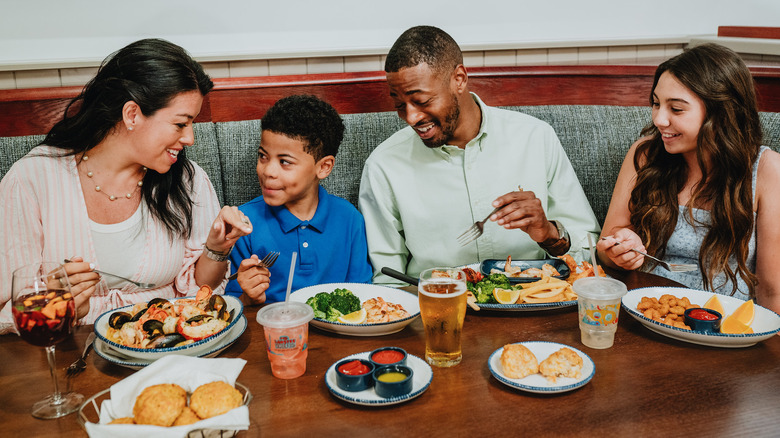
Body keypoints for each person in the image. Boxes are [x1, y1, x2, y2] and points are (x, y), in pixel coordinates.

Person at [0, 38, 253, 334]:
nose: (190, 139)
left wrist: (217, 248)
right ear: (132, 114)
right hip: (72, 350)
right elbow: (10, 303)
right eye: (180, 123)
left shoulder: (188, 180)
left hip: (167, 347)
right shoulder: (32, 179)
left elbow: (200, 294)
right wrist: (56, 304)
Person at [358, 25, 600, 284]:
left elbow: (590, 251)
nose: (411, 117)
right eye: (398, 104)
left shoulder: (536, 137)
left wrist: (549, 233)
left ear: (459, 79)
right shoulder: (384, 165)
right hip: (440, 310)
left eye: (422, 101)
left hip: (534, 303)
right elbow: (388, 281)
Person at [596, 43, 780, 313]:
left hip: (724, 326)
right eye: (656, 104)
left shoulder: (767, 170)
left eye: (677, 109)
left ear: (721, 112)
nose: (659, 119)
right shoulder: (644, 154)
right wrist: (620, 248)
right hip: (646, 312)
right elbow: (604, 253)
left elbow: (773, 290)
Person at [226, 95, 373, 304]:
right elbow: (233, 305)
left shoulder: (350, 219)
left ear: (323, 167)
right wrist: (249, 296)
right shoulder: (243, 223)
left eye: (284, 162)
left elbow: (362, 295)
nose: (268, 171)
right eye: (263, 156)